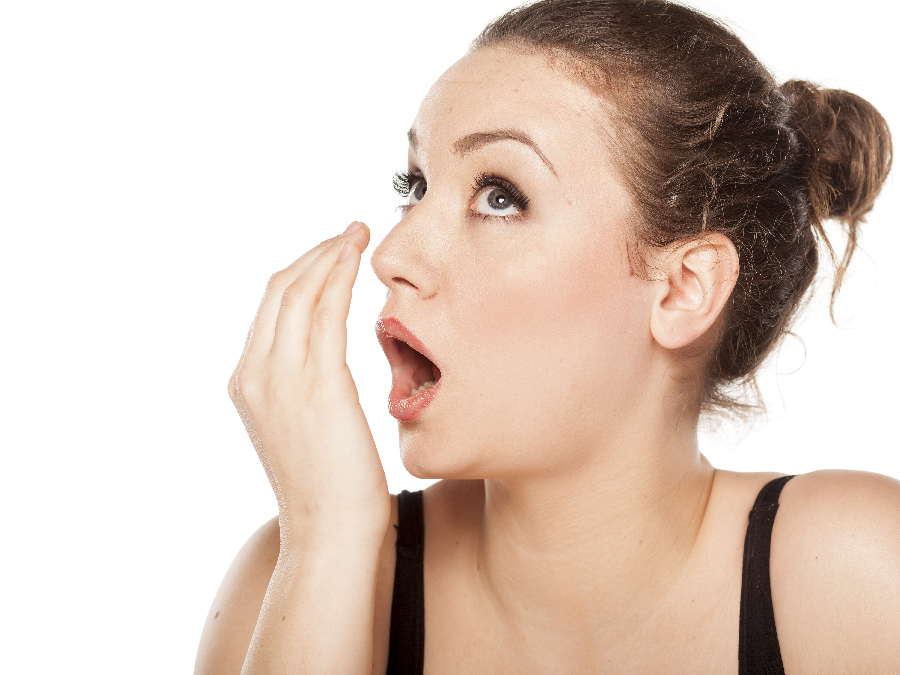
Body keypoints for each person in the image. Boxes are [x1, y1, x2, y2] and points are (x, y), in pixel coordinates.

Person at [194, 0, 898, 672]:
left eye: (500, 196)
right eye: (415, 184)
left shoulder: (856, 576)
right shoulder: (289, 586)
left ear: (686, 287)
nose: (393, 253)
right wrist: (327, 542)